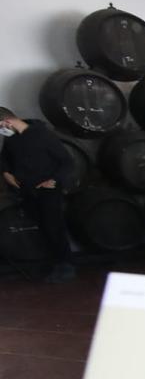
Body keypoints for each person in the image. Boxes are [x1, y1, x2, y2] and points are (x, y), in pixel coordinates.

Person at [0, 106, 76, 282]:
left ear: (7, 121)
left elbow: (66, 162)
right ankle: (52, 264)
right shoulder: (11, 140)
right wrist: (6, 173)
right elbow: (4, 159)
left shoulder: (42, 135)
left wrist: (55, 180)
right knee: (41, 228)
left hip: (48, 191)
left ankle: (66, 266)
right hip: (26, 191)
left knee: (54, 228)